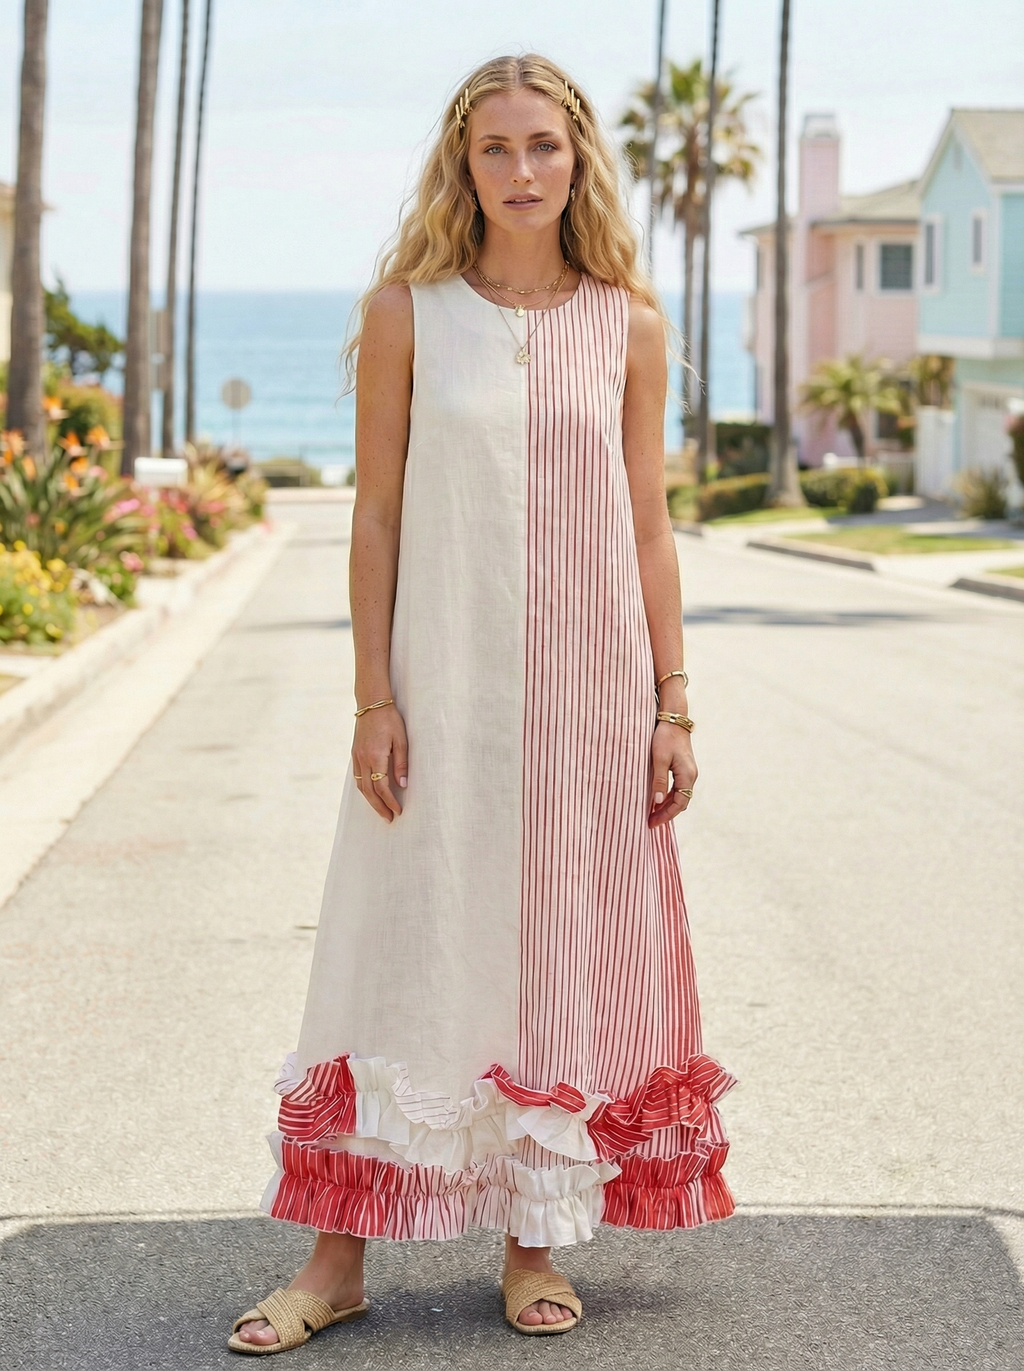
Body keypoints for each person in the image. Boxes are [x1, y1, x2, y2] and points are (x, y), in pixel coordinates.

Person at [230, 52, 734, 1356]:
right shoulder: (408, 312)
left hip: (587, 702)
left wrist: (671, 702)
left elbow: (649, 523)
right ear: (464, 162)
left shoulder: (626, 320)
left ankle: (534, 1239)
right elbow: (379, 512)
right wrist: (371, 696)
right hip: (442, 694)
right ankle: (335, 1260)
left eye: (544, 147)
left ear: (578, 162)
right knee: (400, 941)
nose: (521, 171)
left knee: (560, 959)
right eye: (497, 148)